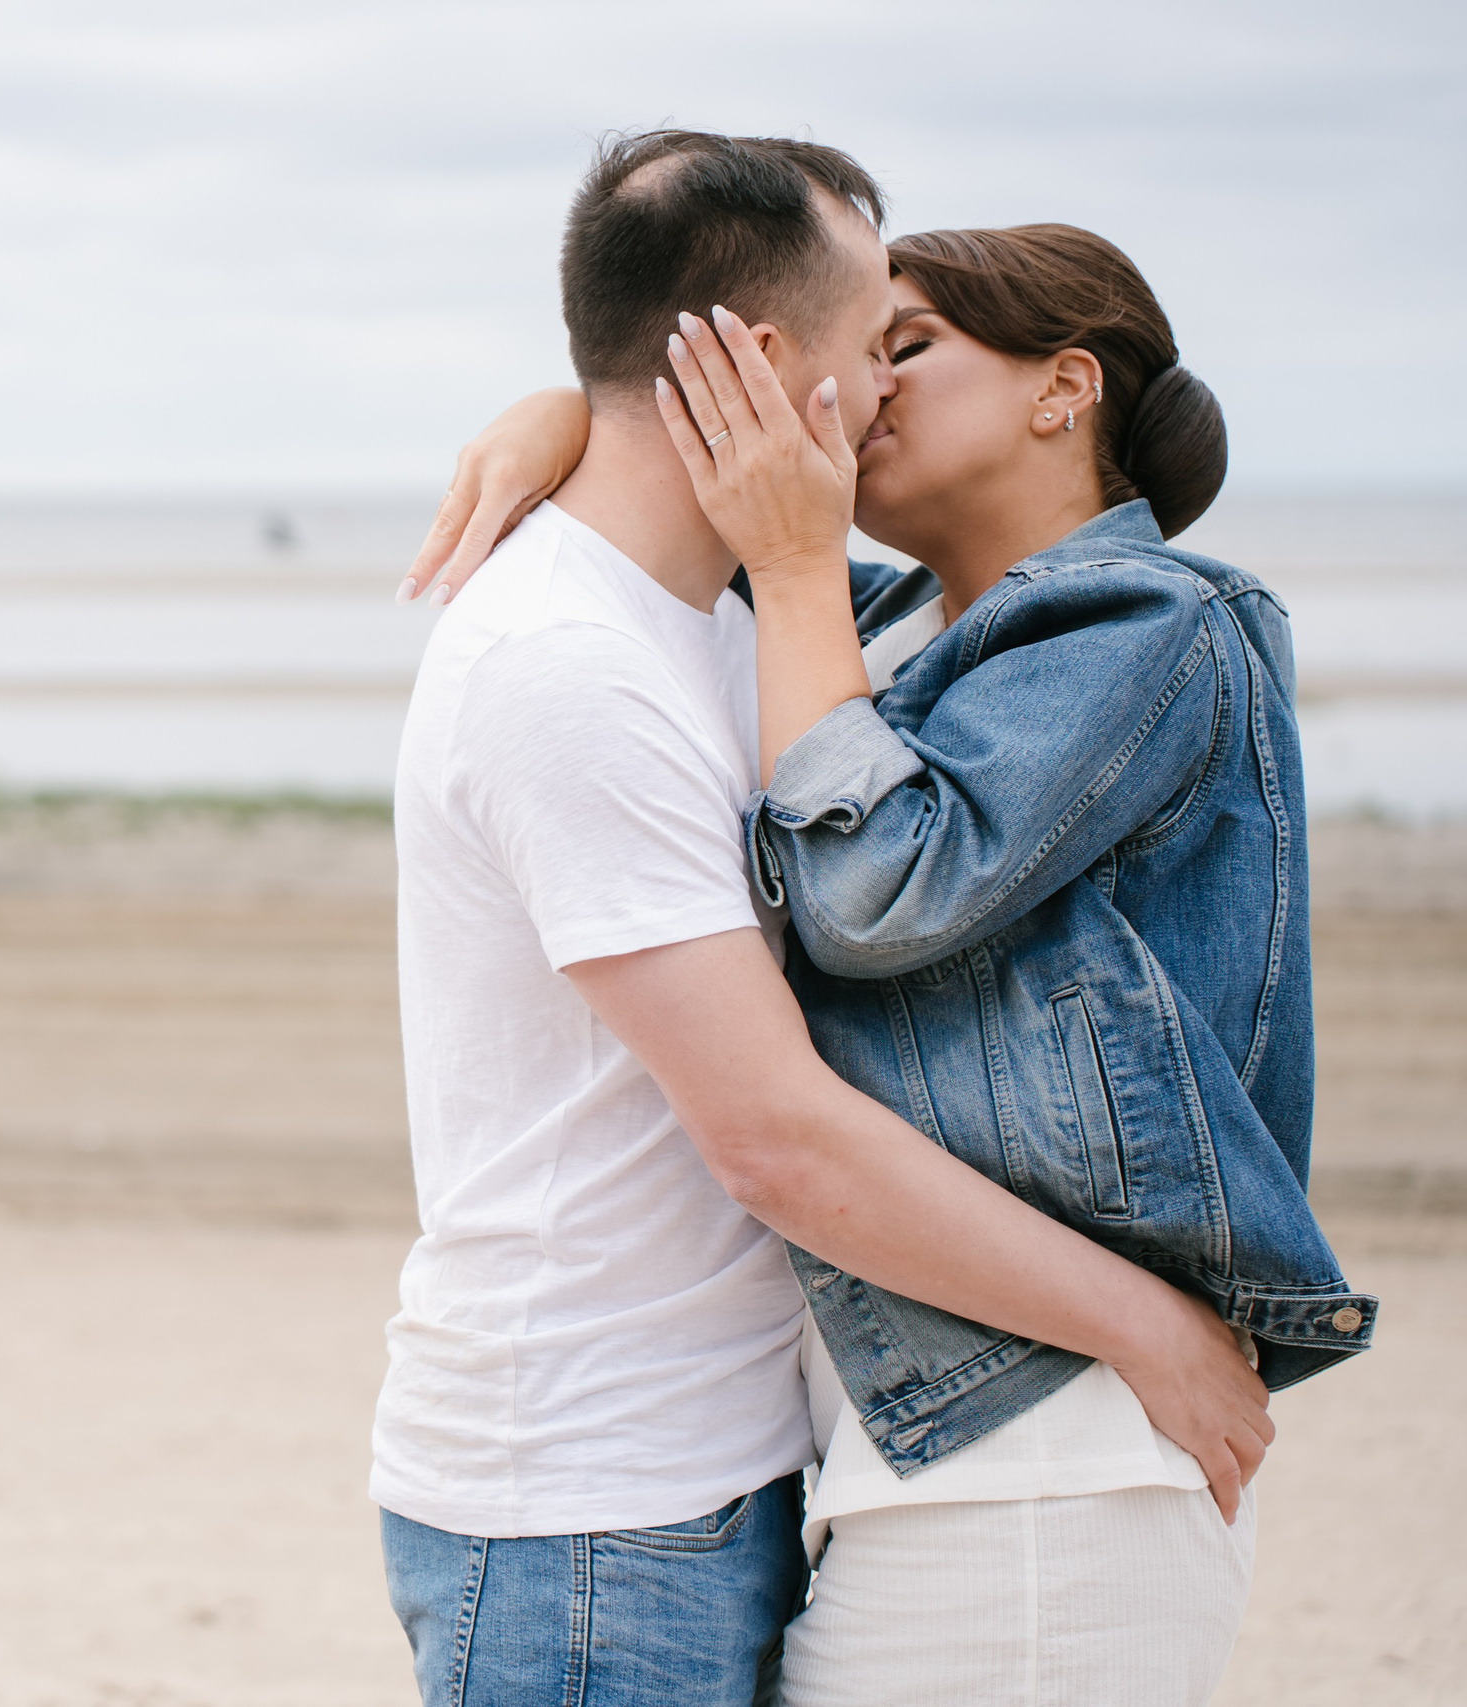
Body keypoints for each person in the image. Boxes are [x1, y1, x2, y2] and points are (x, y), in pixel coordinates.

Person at [409, 210, 1376, 1702]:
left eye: (906, 347)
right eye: (861, 353)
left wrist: (794, 572)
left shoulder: (1158, 621)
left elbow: (870, 887)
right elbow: (680, 570)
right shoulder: (894, 630)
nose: (861, 394)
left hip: (1059, 1430)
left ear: (1065, 389)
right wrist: (570, 421)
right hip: (921, 1416)